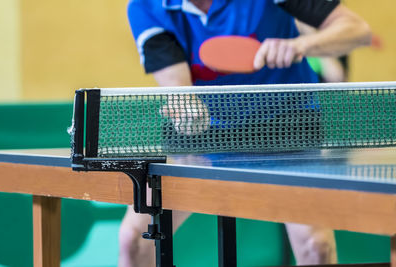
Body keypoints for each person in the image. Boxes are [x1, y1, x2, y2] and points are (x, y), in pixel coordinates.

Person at [120, 1, 372, 266]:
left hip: (286, 125)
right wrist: (190, 112)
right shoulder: (146, 6)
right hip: (204, 133)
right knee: (133, 240)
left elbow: (357, 30)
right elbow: (179, 87)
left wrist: (300, 46)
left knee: (316, 246)